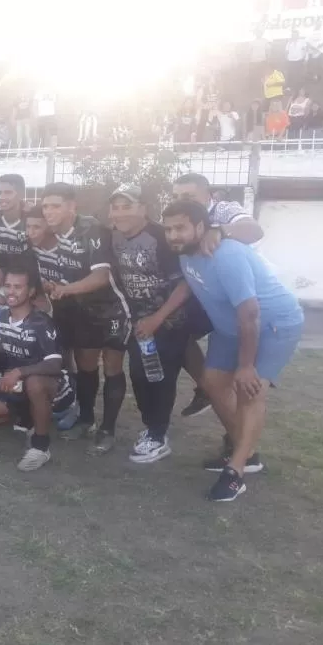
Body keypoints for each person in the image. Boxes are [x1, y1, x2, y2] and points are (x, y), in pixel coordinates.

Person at [162, 200, 304, 502]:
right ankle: (247, 451)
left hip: (272, 325)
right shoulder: (186, 255)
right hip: (230, 329)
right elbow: (188, 288)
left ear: (201, 227)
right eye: (169, 229)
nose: (173, 235)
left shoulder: (226, 255)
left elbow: (250, 313)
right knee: (212, 384)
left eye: (180, 228)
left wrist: (245, 365)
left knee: (249, 391)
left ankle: (236, 472)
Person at [40, 182, 129, 455]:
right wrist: (51, 284)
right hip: (83, 310)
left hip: (113, 309)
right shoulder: (52, 234)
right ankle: (87, 418)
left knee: (112, 367)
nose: (49, 212)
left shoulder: (91, 230)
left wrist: (66, 289)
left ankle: (108, 429)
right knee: (86, 365)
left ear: (72, 207)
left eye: (55, 206)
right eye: (45, 207)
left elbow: (101, 276)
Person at [108, 187, 191, 463]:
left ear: (143, 208)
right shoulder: (114, 236)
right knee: (139, 374)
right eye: (116, 207)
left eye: (127, 206)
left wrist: (158, 318)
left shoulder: (161, 236)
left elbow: (183, 282)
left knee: (161, 376)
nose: (120, 212)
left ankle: (158, 434)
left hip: (169, 319)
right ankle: (151, 426)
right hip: (138, 320)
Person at [172, 173, 265, 417]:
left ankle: (236, 441)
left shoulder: (224, 210)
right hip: (205, 293)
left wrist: (220, 230)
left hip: (238, 296)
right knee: (176, 333)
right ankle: (205, 388)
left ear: (209, 195)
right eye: (177, 196)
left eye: (189, 196)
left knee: (236, 376)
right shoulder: (179, 219)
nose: (183, 201)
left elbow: (255, 230)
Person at [0, 265, 64, 472]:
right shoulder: (2, 318)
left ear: (30, 292)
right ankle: (28, 417)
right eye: (8, 286)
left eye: (18, 287)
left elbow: (55, 363)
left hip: (49, 383)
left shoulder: (41, 322)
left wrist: (19, 372)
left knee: (34, 383)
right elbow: (4, 341)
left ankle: (41, 445)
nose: (11, 291)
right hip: (16, 383)